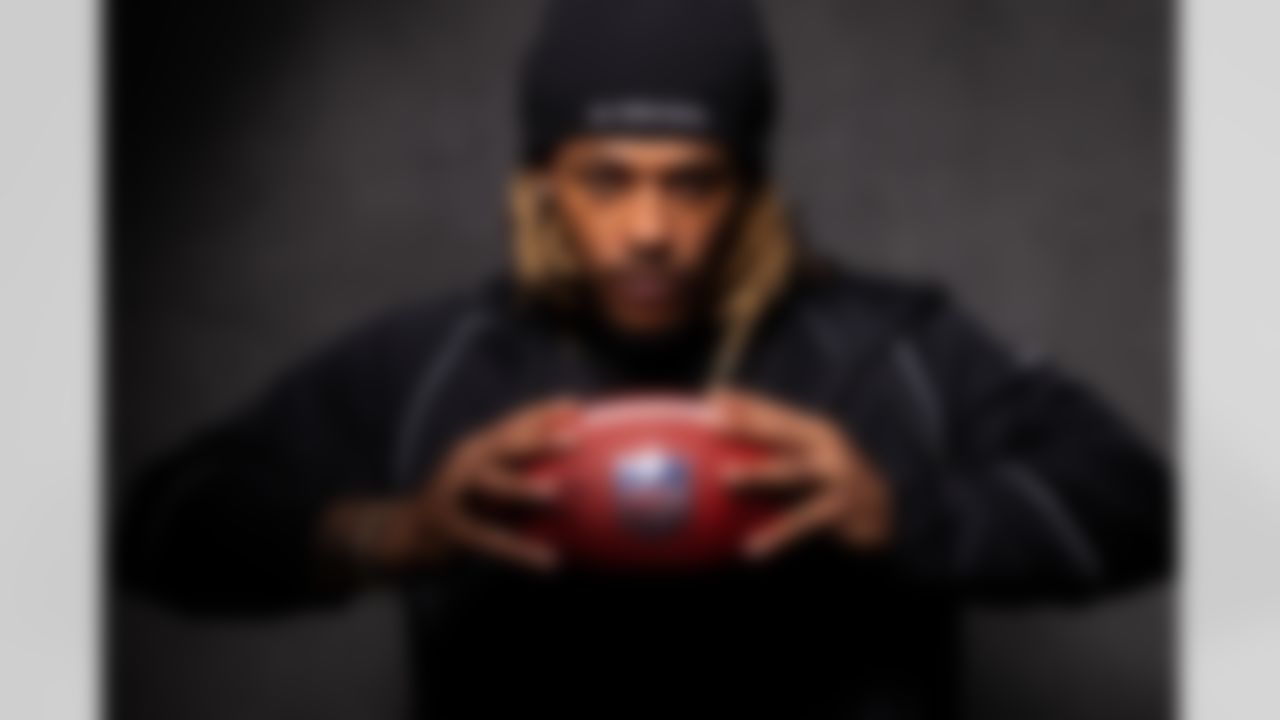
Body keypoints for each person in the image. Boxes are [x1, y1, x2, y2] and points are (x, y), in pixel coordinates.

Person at [114, 0, 1171, 718]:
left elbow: (1141, 503)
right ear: (542, 186)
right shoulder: (436, 361)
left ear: (748, 192)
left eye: (693, 182)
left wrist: (906, 516)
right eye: (607, 180)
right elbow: (161, 524)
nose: (651, 231)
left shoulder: (894, 348)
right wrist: (386, 532)